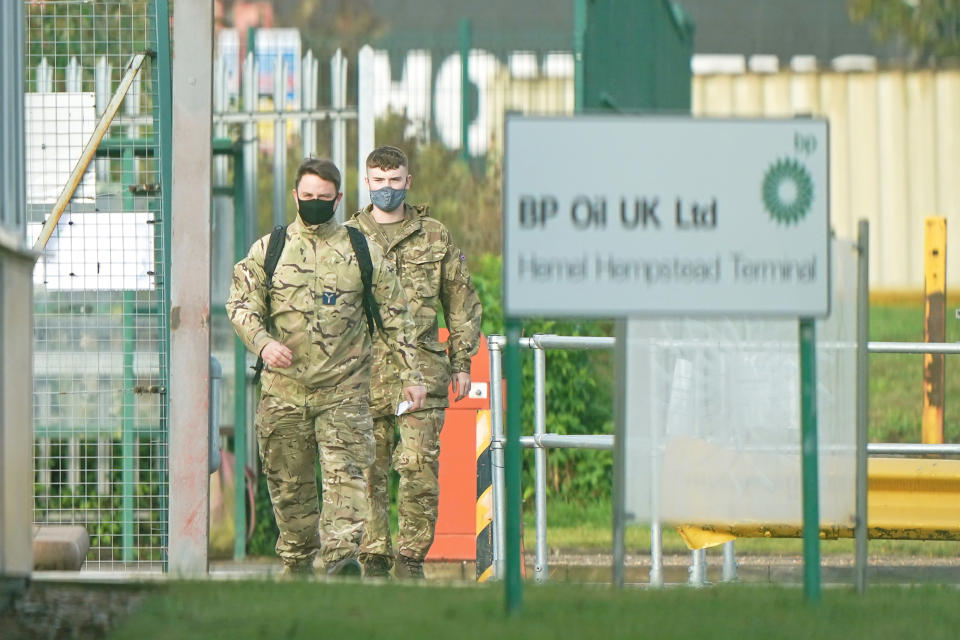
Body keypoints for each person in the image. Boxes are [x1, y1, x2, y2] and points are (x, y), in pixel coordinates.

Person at [226, 157, 427, 578]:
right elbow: (241, 304)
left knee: (348, 484)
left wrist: (412, 375)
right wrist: (263, 344)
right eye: (307, 196)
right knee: (290, 490)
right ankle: (298, 563)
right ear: (294, 196)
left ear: (337, 199)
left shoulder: (360, 250)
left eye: (323, 197)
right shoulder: (270, 250)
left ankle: (341, 563)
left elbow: (396, 316)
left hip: (345, 395)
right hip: (284, 395)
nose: (314, 203)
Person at [347, 145, 482, 579]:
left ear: (409, 181)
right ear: (367, 182)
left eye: (395, 180)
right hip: (362, 375)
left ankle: (410, 560)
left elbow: (460, 301)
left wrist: (462, 361)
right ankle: (373, 556)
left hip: (422, 371)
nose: (387, 189)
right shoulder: (345, 237)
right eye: (379, 180)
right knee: (369, 470)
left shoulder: (435, 237)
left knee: (419, 468)